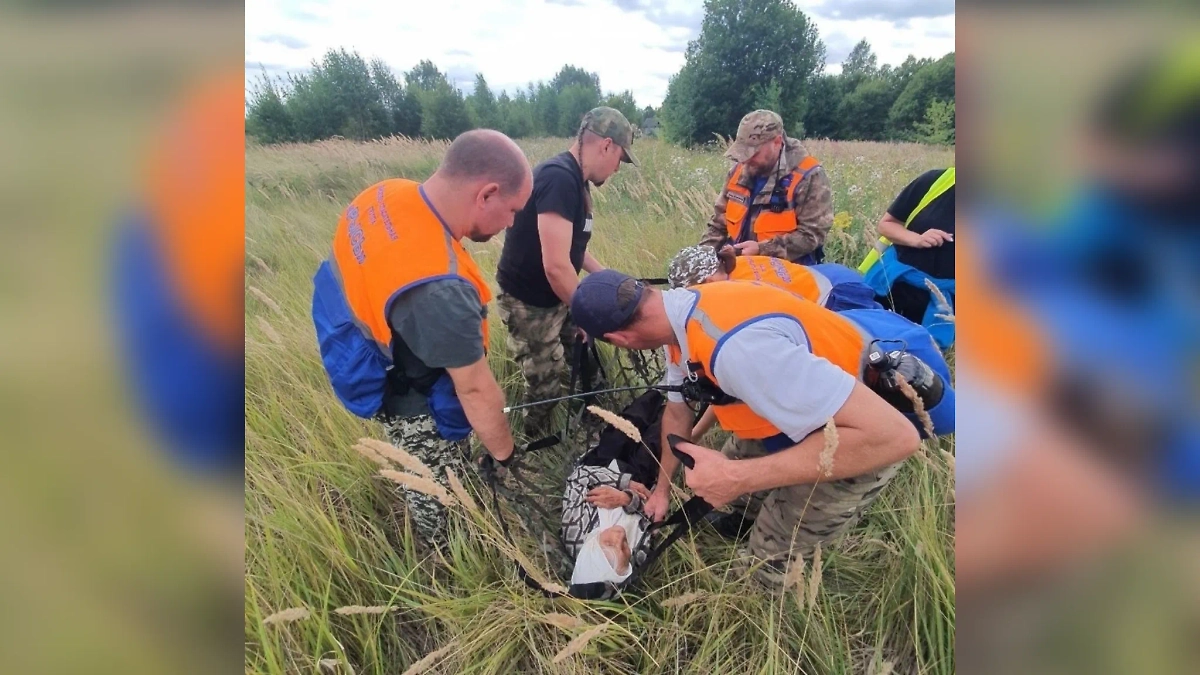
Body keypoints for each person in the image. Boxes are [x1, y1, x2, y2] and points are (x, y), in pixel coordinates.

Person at [569, 270, 954, 586]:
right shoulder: (680, 314)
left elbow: (894, 437)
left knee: (765, 565)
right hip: (792, 414)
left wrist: (737, 476)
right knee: (734, 502)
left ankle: (768, 596)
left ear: (620, 340)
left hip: (860, 433)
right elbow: (677, 411)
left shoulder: (737, 350)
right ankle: (742, 519)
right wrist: (662, 490)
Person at [311, 129, 533, 548]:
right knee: (439, 505)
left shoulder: (384, 195)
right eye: (513, 209)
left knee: (434, 481)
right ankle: (443, 568)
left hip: (370, 355)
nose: (512, 224)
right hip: (415, 401)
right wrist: (506, 456)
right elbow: (473, 387)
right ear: (486, 194)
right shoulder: (440, 288)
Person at [495, 106, 637, 439]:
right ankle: (536, 441)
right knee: (547, 381)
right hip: (530, 301)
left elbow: (575, 250)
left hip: (558, 292)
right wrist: (587, 312)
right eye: (620, 158)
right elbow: (556, 265)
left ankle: (592, 424)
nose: (618, 168)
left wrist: (610, 280)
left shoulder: (578, 182)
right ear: (606, 145)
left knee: (584, 358)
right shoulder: (558, 177)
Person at [561, 390, 664, 599]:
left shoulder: (574, 529)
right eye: (624, 548)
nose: (620, 537)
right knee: (659, 437)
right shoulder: (637, 556)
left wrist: (621, 482)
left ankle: (662, 389)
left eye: (608, 543)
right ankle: (685, 404)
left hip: (603, 463)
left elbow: (578, 477)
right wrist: (628, 498)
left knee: (628, 423)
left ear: (591, 550)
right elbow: (653, 517)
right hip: (641, 480)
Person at [699, 110, 833, 265]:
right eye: (744, 153)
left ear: (776, 142)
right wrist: (700, 259)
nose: (746, 160)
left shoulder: (809, 175)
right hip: (739, 267)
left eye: (754, 153)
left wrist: (762, 250)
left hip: (787, 273)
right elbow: (717, 225)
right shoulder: (738, 172)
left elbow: (812, 234)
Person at [860, 168, 956, 348]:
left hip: (944, 308)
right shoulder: (936, 181)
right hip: (891, 290)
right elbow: (886, 224)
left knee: (919, 362)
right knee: (866, 346)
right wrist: (917, 239)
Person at [667, 245, 880, 312]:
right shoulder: (737, 261)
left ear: (707, 283)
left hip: (839, 297)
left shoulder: (741, 290)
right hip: (832, 273)